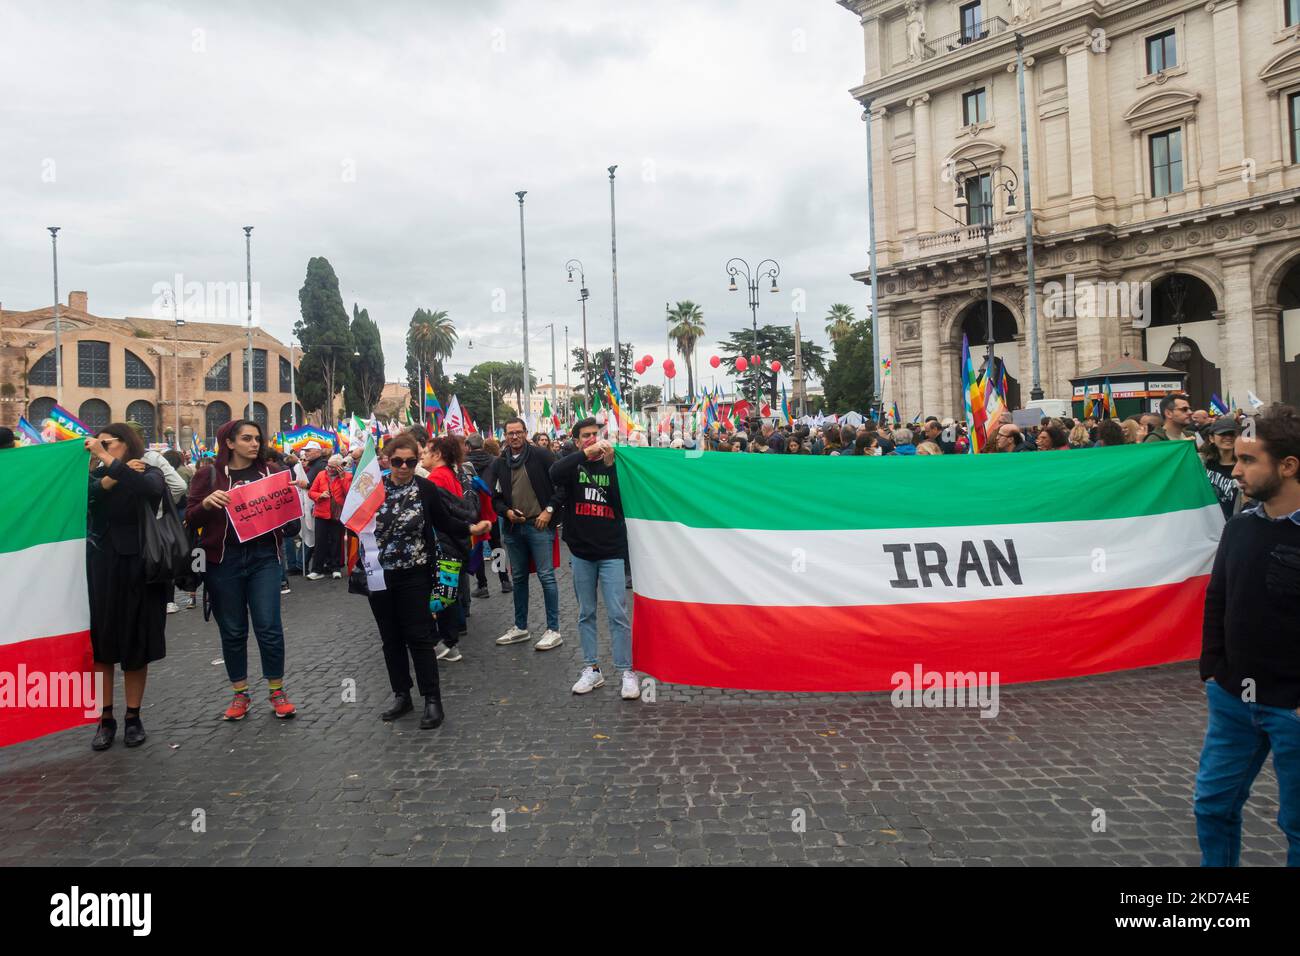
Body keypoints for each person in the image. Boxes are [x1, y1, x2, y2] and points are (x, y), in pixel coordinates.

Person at [1195, 404, 1300, 867]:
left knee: (1296, 823)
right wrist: (1214, 671)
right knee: (1213, 806)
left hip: (1292, 708)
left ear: (1288, 465)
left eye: (1248, 460)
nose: (1234, 470)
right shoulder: (1239, 528)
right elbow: (1218, 599)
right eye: (1235, 459)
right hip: (1233, 699)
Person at [363, 433, 490, 729]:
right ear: (387, 460)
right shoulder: (371, 487)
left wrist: (471, 528)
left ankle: (432, 699)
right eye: (398, 461)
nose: (404, 467)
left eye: (410, 461)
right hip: (379, 574)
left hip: (415, 572)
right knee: (390, 639)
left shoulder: (425, 488)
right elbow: (353, 518)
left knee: (419, 637)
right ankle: (401, 695)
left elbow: (445, 520)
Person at [185, 419, 297, 721]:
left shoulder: (272, 473)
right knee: (233, 630)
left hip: (263, 559)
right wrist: (207, 503)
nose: (254, 444)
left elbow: (291, 526)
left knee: (269, 626)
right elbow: (190, 518)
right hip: (223, 561)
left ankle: (277, 689)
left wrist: (293, 498)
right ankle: (240, 693)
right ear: (229, 443)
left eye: (257, 438)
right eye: (247, 438)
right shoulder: (207, 476)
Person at [85, 425, 168, 750]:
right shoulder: (93, 476)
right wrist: (111, 473)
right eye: (97, 444)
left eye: (106, 443)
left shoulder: (148, 469)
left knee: (136, 640)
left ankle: (133, 716)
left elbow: (151, 491)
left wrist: (111, 463)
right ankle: (105, 719)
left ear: (126, 444)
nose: (98, 448)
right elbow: (90, 497)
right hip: (100, 564)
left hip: (139, 564)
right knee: (101, 643)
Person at [551, 418, 639, 699]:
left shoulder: (613, 465)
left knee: (618, 614)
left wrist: (612, 467)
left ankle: (627, 671)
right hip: (581, 553)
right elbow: (554, 473)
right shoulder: (573, 464)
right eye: (586, 436)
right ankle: (592, 668)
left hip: (611, 551)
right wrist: (583, 455)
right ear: (577, 441)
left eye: (596, 434)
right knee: (585, 613)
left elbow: (620, 502)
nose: (592, 439)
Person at [493, 418, 566, 651]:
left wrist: (549, 510)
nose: (514, 437)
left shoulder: (542, 456)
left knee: (546, 577)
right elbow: (495, 498)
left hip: (539, 526)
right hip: (513, 529)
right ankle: (521, 627)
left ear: (526, 433)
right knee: (520, 578)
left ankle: (553, 629)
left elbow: (562, 487)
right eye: (509, 433)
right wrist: (506, 512)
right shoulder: (500, 462)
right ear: (505, 436)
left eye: (518, 432)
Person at [420, 435, 480, 662]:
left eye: (426, 451)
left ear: (438, 454)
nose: (423, 455)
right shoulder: (452, 474)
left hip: (445, 542)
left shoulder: (435, 479)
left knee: (443, 595)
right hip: (456, 540)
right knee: (448, 592)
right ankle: (449, 642)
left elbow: (442, 515)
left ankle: (446, 642)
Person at [465, 433, 512, 596]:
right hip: (491, 508)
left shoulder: (464, 463)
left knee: (477, 547)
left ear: (468, 446)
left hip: (473, 512)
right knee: (496, 546)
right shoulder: (494, 460)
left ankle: (483, 585)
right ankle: (504, 580)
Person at [307, 454, 351, 579]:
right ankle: (317, 569)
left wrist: (342, 478)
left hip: (338, 513)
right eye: (329, 466)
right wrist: (320, 495)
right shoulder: (321, 474)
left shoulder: (347, 476)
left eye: (333, 467)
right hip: (322, 513)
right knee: (320, 542)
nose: (329, 469)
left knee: (336, 541)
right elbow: (311, 492)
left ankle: (335, 568)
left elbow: (349, 493)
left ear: (340, 467)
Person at [1202, 416, 1241, 520]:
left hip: (1236, 523)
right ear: (1211, 438)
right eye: (1223, 433)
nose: (1228, 437)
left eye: (1232, 434)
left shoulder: (1246, 466)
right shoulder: (1203, 464)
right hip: (1210, 524)